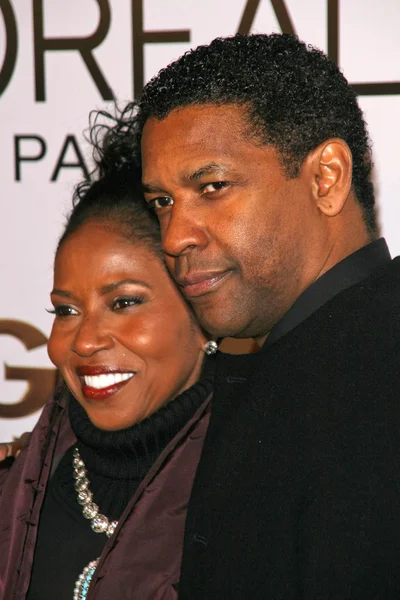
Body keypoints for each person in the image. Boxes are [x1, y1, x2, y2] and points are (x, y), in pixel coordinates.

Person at [100, 33, 400, 597]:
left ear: (326, 178)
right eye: (162, 202)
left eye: (212, 187)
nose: (175, 236)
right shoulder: (296, 367)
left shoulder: (374, 381)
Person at [0, 160, 217, 598]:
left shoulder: (263, 488)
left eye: (123, 303)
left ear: (204, 316)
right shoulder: (16, 490)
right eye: (66, 311)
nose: (84, 341)